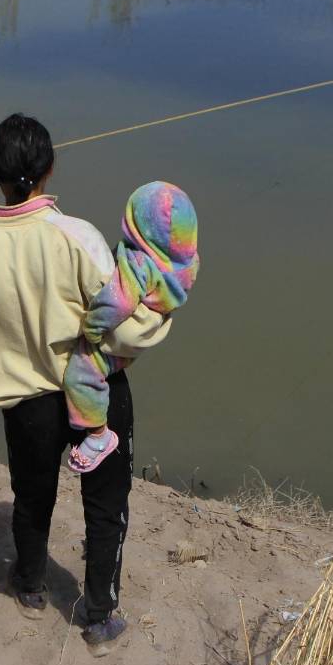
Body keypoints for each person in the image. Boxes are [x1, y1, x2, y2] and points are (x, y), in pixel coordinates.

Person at [0, 114, 172, 656]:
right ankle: (100, 619)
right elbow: (123, 321)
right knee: (105, 505)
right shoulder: (78, 235)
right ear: (50, 168)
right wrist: (160, 315)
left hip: (25, 405)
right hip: (97, 394)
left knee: (32, 497)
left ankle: (30, 587)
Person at [63, 181, 199, 473]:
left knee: (82, 372)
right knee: (112, 366)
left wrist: (92, 329)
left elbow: (117, 303)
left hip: (118, 336)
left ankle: (98, 435)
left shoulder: (139, 264)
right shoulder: (187, 263)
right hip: (145, 336)